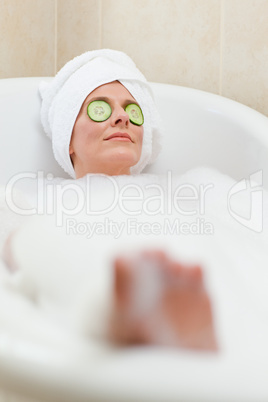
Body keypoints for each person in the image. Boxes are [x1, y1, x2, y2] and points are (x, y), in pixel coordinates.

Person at [3, 49, 218, 351]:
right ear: (69, 137)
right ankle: (119, 308)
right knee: (22, 241)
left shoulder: (181, 193)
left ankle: (144, 308)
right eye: (100, 108)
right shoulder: (38, 201)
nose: (121, 117)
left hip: (171, 275)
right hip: (80, 280)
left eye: (133, 111)